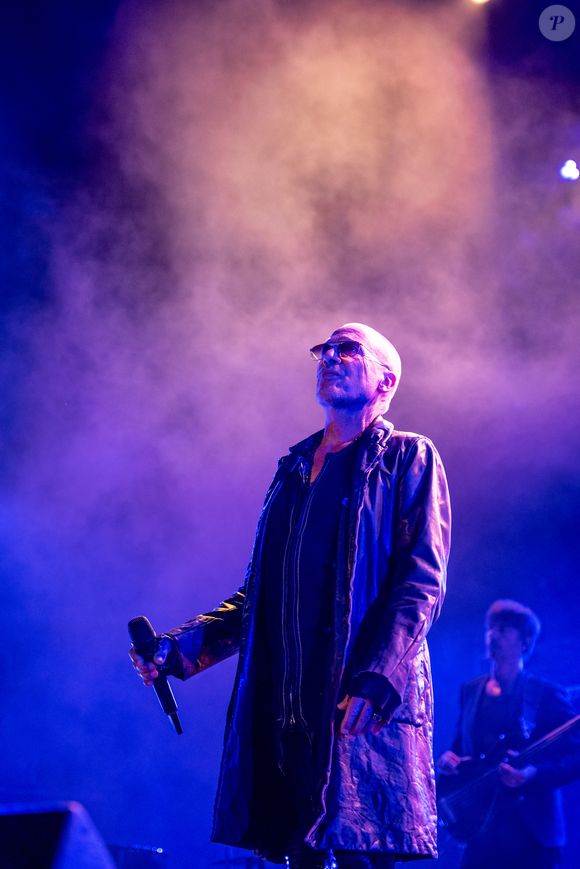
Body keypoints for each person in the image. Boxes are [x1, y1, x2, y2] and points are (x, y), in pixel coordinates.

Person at [130, 322, 451, 868]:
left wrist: (378, 677)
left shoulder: (406, 458)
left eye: (348, 350)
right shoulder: (293, 471)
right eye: (324, 350)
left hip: (355, 705)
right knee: (297, 853)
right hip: (289, 711)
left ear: (386, 381)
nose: (329, 357)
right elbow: (260, 596)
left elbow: (420, 583)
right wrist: (176, 651)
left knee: (359, 851)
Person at [438, 599, 580, 869]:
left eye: (503, 629)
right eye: (490, 628)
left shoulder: (545, 693)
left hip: (532, 832)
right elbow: (460, 745)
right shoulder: (471, 691)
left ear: (525, 642)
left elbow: (576, 755)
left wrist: (534, 774)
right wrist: (449, 760)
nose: (493, 634)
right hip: (482, 827)